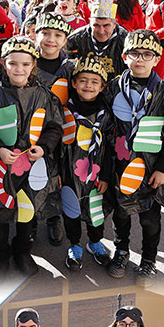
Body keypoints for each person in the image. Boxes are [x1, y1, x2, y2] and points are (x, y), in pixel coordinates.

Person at [104, 29, 164, 279]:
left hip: (151, 168)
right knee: (121, 213)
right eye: (134, 53)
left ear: (157, 59)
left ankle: (148, 259)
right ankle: (121, 252)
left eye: (147, 54)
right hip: (120, 165)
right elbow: (105, 130)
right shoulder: (113, 88)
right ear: (124, 56)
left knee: (149, 218)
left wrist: (163, 169)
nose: (140, 59)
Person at [0, 35, 63, 276]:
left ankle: (23, 250)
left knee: (27, 208)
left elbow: (55, 126)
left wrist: (44, 147)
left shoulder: (45, 95)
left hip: (32, 165)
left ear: (34, 64)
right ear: (4, 63)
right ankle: (0, 255)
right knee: (1, 209)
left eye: (25, 64)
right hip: (1, 164)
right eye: (13, 63)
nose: (19, 69)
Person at [58, 52, 112, 271]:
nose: (88, 85)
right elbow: (58, 147)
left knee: (95, 209)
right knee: (71, 208)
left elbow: (109, 150)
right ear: (74, 83)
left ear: (101, 87)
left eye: (94, 82)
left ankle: (95, 242)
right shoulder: (65, 111)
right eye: (83, 80)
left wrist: (106, 176)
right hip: (69, 171)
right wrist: (59, 173)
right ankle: (74, 245)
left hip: (97, 174)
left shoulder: (107, 114)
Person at [67, 0, 127, 81]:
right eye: (96, 25)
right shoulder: (78, 37)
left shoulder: (126, 40)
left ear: (114, 24)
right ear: (90, 23)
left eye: (106, 26)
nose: (101, 31)